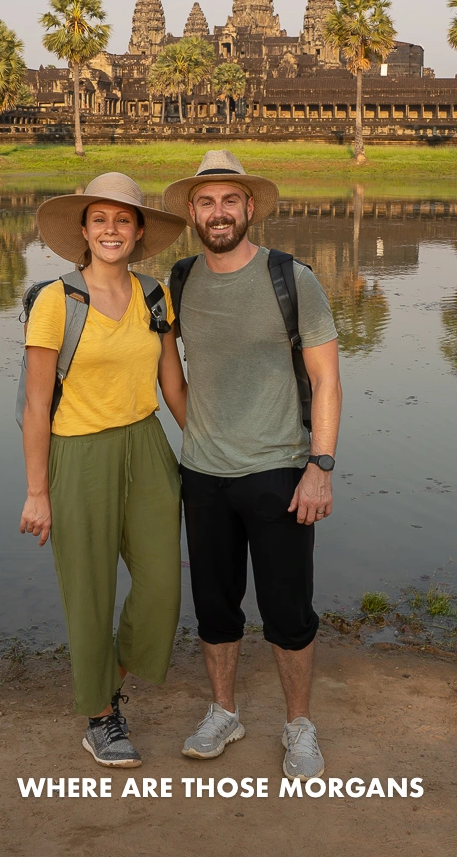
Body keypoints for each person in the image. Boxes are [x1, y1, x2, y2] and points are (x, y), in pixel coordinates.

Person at [160, 150, 343, 779]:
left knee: (289, 612)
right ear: (191, 212)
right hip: (204, 476)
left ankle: (298, 726)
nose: (218, 212)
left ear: (249, 208)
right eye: (206, 202)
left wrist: (320, 464)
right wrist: (204, 437)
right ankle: (224, 711)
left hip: (280, 472)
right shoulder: (178, 281)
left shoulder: (291, 278)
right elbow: (172, 379)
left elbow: (326, 380)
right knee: (215, 607)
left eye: (229, 201)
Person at [18, 172, 189, 768]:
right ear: (83, 232)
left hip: (147, 448)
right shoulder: (55, 301)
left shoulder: (154, 296)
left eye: (123, 220)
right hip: (78, 452)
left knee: (162, 585)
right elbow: (36, 405)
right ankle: (100, 718)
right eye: (100, 220)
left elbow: (174, 386)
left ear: (140, 231)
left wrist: (214, 450)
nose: (111, 230)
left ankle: (104, 680)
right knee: (89, 592)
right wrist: (37, 492)